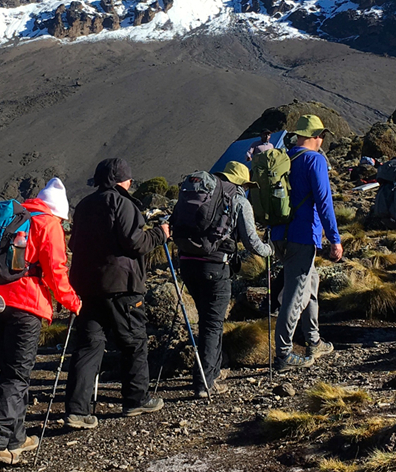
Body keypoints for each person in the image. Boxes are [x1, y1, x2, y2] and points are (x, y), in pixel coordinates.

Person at [0, 179, 81, 464]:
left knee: (9, 371)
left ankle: (17, 436)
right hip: (27, 306)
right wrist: (73, 302)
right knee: (18, 376)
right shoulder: (49, 225)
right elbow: (56, 272)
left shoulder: (14, 217)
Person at [64, 158, 168, 426]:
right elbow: (135, 243)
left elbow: (74, 243)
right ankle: (136, 400)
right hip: (122, 286)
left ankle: (78, 410)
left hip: (87, 286)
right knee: (134, 342)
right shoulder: (124, 203)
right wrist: (160, 234)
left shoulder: (84, 205)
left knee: (88, 346)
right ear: (124, 181)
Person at [175, 161, 274, 397]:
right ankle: (205, 382)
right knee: (212, 324)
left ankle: (212, 371)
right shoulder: (238, 200)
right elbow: (252, 242)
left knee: (206, 320)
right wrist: (269, 250)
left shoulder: (199, 192)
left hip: (188, 264)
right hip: (216, 268)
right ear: (241, 182)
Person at [271, 115, 343, 371]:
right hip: (302, 236)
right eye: (320, 135)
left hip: (279, 235)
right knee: (295, 295)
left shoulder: (283, 159)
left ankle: (313, 340)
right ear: (314, 136)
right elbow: (324, 202)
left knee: (310, 283)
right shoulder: (315, 160)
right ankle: (284, 354)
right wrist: (335, 239)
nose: (322, 140)